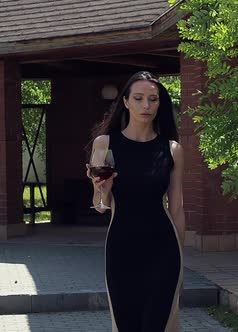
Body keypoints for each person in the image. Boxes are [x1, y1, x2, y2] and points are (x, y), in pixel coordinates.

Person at [86, 71, 185, 332]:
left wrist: (182, 260)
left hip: (164, 250)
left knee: (158, 324)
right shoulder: (105, 144)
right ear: (126, 102)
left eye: (153, 99)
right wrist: (103, 190)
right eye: (139, 98)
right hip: (122, 249)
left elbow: (177, 207)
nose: (146, 105)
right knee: (126, 324)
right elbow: (99, 206)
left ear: (159, 104)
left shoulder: (172, 149)